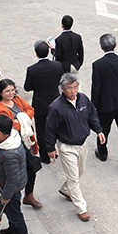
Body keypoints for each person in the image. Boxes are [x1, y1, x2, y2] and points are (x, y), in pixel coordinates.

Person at [45, 73, 105, 222]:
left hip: (82, 144)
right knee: (73, 178)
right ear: (63, 89)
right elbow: (50, 129)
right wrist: (50, 148)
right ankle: (81, 208)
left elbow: (92, 116)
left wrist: (99, 130)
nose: (73, 91)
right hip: (67, 147)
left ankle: (65, 190)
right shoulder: (56, 107)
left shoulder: (83, 99)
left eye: (75, 87)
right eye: (70, 88)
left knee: (80, 171)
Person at [0, 79, 42, 209]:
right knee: (16, 173)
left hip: (26, 141)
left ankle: (29, 195)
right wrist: (23, 117)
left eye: (13, 90)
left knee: (32, 168)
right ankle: (14, 200)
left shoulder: (17, 100)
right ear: (1, 93)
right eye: (7, 91)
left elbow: (30, 110)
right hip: (13, 145)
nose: (11, 93)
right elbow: (9, 126)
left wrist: (21, 118)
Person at [91, 34, 118, 174]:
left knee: (103, 131)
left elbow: (96, 88)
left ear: (101, 47)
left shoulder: (98, 65)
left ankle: (103, 153)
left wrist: (94, 106)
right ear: (115, 45)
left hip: (106, 106)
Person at [0, 114, 30, 234]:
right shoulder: (12, 136)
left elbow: (12, 180)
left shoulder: (10, 155)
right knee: (12, 212)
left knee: (15, 216)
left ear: (0, 133)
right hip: (12, 186)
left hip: (11, 190)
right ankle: (12, 229)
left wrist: (6, 197)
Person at [24, 41, 64, 163]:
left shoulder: (32, 70)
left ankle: (45, 157)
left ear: (36, 53)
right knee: (56, 128)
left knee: (41, 131)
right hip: (55, 102)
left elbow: (27, 87)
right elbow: (61, 82)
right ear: (48, 51)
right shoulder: (57, 66)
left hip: (40, 104)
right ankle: (56, 152)